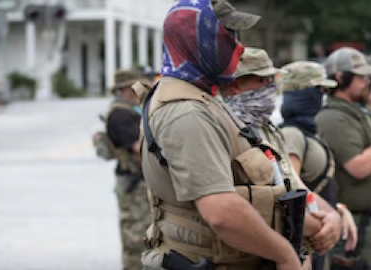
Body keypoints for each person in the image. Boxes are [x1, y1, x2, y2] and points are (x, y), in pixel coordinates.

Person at [138, 1, 302, 270]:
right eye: (228, 35)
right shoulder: (187, 112)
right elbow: (222, 213)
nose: (238, 47)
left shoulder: (203, 98)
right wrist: (285, 255)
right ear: (197, 40)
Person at [220, 48, 347, 267]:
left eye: (271, 79)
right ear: (236, 85)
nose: (270, 87)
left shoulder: (269, 131)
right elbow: (243, 207)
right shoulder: (224, 131)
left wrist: (333, 216)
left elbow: (296, 188)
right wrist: (318, 227)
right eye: (261, 80)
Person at [317, 47, 371, 270]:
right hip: (353, 226)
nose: (368, 82)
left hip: (369, 224)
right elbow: (359, 166)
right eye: (361, 77)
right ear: (340, 77)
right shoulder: (334, 118)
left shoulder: (354, 113)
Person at [278, 61, 359, 270]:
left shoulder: (307, 133)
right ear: (303, 92)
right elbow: (291, 192)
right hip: (305, 244)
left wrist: (338, 210)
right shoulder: (292, 135)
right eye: (319, 90)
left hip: (317, 238)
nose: (323, 97)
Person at [105, 69, 150, 270]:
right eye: (133, 86)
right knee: (135, 238)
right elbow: (140, 146)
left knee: (146, 235)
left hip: (140, 183)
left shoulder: (132, 110)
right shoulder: (120, 114)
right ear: (123, 89)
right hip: (133, 185)